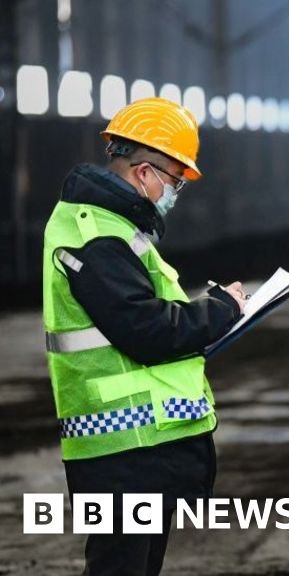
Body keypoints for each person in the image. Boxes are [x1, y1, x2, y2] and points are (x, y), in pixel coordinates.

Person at [41, 97, 247, 576]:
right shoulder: (97, 236)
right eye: (174, 180)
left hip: (138, 445)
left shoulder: (112, 228)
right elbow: (148, 329)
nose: (174, 191)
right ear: (144, 172)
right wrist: (220, 311)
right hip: (121, 447)